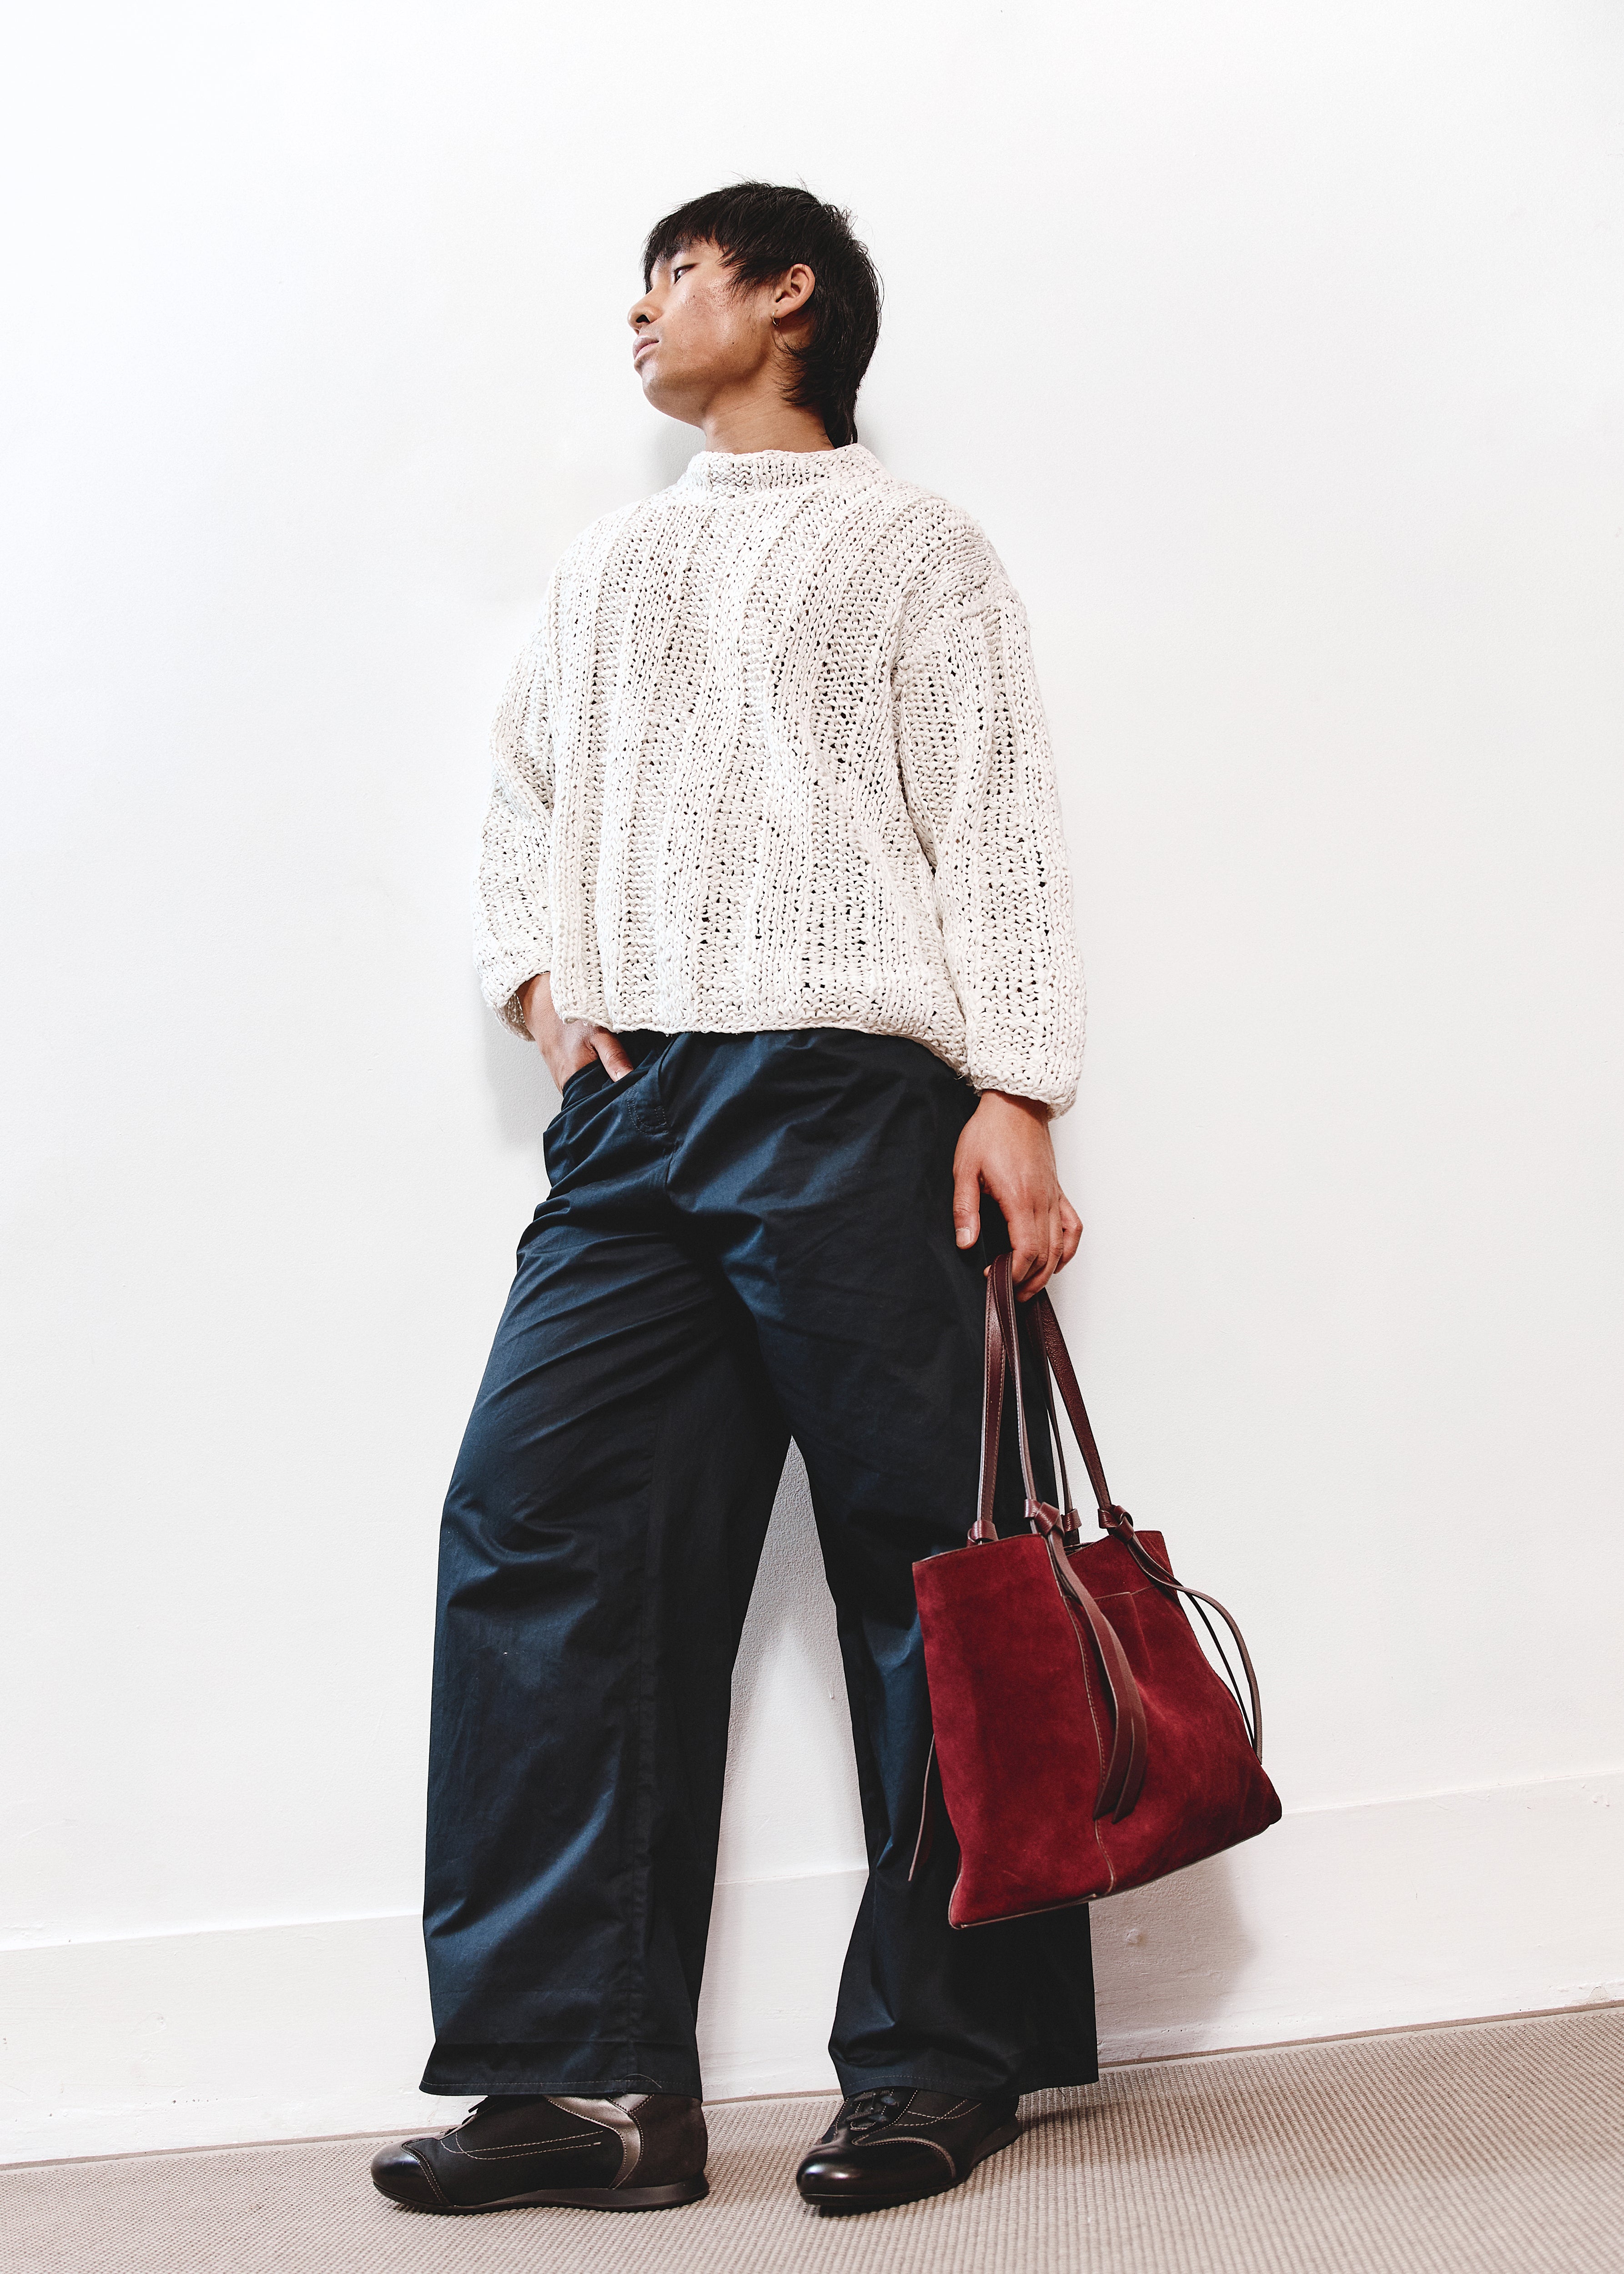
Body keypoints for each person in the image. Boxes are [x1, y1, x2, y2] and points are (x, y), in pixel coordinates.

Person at [370, 181, 1092, 2221]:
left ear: (788, 296)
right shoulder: (608, 564)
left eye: (674, 272)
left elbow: (995, 813)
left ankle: (946, 2056)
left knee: (934, 1570)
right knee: (538, 1533)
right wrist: (540, 984)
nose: (638, 309)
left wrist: (1017, 1087)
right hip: (635, 1123)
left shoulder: (914, 542)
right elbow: (521, 796)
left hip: (857, 1095)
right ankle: (578, 2081)